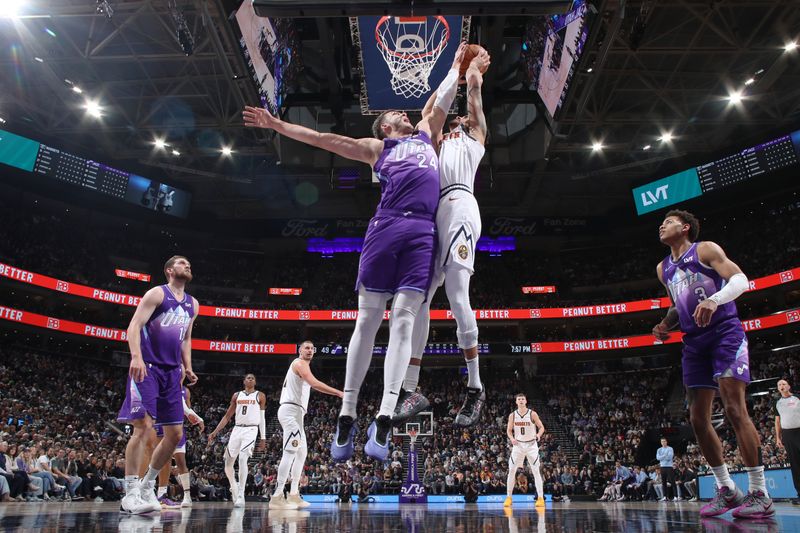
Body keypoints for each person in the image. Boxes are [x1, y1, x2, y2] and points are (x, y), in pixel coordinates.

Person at [243, 44, 469, 462]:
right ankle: (347, 413)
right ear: (384, 127)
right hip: (386, 227)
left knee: (403, 320)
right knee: (368, 318)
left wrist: (456, 65)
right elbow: (322, 139)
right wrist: (277, 125)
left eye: (404, 112)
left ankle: (384, 415)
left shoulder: (426, 133)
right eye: (394, 115)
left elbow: (441, 99)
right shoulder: (378, 149)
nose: (403, 113)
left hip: (423, 232)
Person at [652, 210, 772, 519]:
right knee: (696, 419)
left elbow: (741, 280)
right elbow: (676, 304)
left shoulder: (704, 249)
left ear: (685, 227)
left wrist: (714, 300)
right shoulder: (663, 268)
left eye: (669, 221)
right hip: (694, 343)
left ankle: (760, 492)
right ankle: (727, 489)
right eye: (662, 223)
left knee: (734, 409)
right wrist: (665, 323)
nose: (662, 225)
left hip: (724, 333)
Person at [397, 47, 491, 427]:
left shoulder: (475, 136)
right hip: (434, 213)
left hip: (460, 205)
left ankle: (475, 387)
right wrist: (452, 69)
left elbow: (473, 100)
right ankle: (411, 389)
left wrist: (473, 75)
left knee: (457, 295)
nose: (458, 119)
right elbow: (428, 112)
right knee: (419, 300)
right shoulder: (434, 140)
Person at [117, 255, 199, 514]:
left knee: (174, 435)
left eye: (189, 263)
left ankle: (146, 487)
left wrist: (188, 366)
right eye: (182, 263)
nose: (187, 265)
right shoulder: (157, 294)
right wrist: (136, 356)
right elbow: (134, 325)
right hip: (148, 368)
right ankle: (129, 494)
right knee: (143, 427)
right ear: (169, 270)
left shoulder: (193, 304)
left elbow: (186, 339)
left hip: (172, 372)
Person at [269, 340, 343, 510]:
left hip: (297, 413)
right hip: (290, 412)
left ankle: (294, 494)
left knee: (302, 453)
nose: (309, 350)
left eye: (312, 348)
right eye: (306, 348)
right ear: (300, 350)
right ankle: (277, 495)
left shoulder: (304, 365)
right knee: (290, 452)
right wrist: (338, 392)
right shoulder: (299, 363)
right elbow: (315, 383)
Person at [207, 374, 267, 508]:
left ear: (255, 381)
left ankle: (241, 494)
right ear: (244, 381)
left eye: (253, 378)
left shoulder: (260, 395)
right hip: (237, 429)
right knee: (228, 463)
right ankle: (233, 485)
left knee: (242, 459)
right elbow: (227, 416)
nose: (250, 379)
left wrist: (263, 438)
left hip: (251, 430)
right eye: (248, 378)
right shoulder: (236, 396)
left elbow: (262, 418)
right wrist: (215, 432)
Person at [153, 368, 204, 508]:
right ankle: (157, 492)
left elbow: (187, 408)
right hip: (163, 425)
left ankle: (186, 496)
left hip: (178, 427)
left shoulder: (185, 391)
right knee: (163, 459)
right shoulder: (165, 385)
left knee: (181, 462)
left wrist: (195, 417)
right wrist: (197, 418)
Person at [503, 393, 545, 508]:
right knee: (511, 470)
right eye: (519, 399)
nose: (521, 400)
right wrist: (511, 439)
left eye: (522, 399)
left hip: (531, 444)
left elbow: (541, 427)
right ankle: (509, 497)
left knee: (536, 471)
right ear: (516, 402)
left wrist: (538, 435)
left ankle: (540, 498)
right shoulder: (512, 415)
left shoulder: (532, 413)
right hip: (518, 445)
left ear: (526, 401)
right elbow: (508, 430)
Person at [775, 379, 800, 505]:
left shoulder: (797, 398)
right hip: (788, 435)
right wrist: (778, 438)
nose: (782, 386)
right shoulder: (778, 403)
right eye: (779, 385)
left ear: (789, 386)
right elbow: (777, 422)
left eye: (784, 384)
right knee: (795, 466)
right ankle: (799, 494)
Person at [656, 437, 675, 501]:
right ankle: (665, 496)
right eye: (662, 441)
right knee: (663, 482)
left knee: (672, 481)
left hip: (669, 466)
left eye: (664, 441)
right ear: (661, 443)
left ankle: (676, 496)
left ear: (666, 442)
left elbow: (669, 457)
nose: (663, 442)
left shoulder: (670, 448)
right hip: (662, 466)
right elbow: (658, 458)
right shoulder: (659, 449)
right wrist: (664, 455)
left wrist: (662, 457)